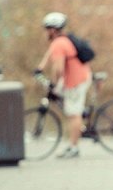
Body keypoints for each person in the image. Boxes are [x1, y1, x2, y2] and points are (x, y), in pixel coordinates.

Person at [35, 12, 92, 159]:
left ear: (53, 29)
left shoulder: (59, 44)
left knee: (74, 114)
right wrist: (40, 67)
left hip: (76, 81)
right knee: (69, 109)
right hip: (78, 77)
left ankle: (74, 148)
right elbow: (49, 54)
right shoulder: (61, 41)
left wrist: (53, 84)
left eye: (47, 28)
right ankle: (73, 140)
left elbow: (58, 69)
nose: (46, 32)